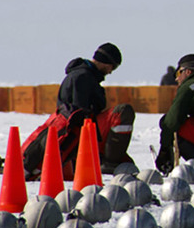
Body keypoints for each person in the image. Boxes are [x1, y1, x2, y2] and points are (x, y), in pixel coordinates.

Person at [22, 42, 135, 180]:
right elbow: (80, 115)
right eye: (113, 67)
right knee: (123, 112)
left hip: (81, 134)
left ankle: (108, 158)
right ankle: (109, 162)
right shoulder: (82, 78)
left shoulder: (83, 75)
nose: (111, 71)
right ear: (106, 62)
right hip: (83, 133)